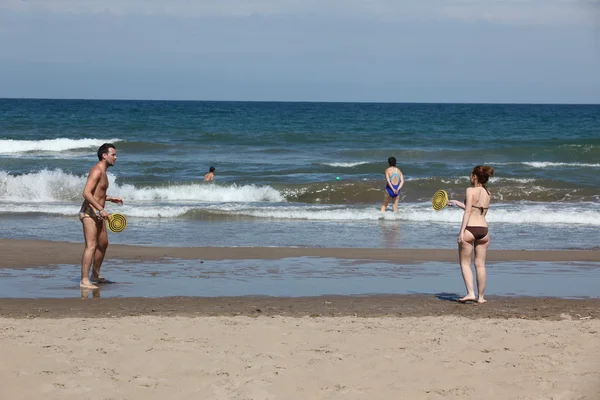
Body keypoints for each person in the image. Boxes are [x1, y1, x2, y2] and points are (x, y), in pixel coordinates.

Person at [447, 165, 494, 304]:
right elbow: (478, 210)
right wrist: (457, 203)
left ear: (474, 176)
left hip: (470, 229)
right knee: (480, 265)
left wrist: (461, 232)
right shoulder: (488, 193)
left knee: (465, 263)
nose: (469, 177)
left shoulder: (470, 190)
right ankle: (481, 297)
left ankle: (470, 293)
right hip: (484, 230)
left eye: (470, 174)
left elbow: (468, 212)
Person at [79, 143, 123, 289]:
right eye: (113, 154)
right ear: (104, 155)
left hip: (98, 214)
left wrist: (110, 198)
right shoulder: (97, 171)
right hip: (89, 213)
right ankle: (84, 280)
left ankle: (95, 274)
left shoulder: (104, 172)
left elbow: (98, 193)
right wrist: (100, 209)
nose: (116, 157)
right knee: (91, 246)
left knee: (103, 244)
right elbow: (86, 193)